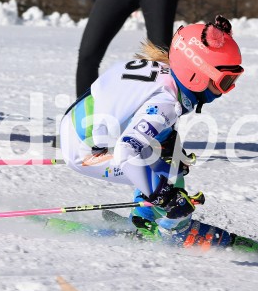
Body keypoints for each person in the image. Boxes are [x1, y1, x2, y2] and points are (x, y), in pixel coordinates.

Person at [59, 15, 245, 247]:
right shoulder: (167, 103)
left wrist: (165, 140)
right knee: (170, 178)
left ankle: (143, 218)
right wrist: (163, 196)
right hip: (84, 151)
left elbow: (128, 103)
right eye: (225, 81)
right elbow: (126, 152)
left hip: (80, 124)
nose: (227, 90)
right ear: (196, 75)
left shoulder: (166, 73)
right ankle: (173, 230)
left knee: (170, 164)